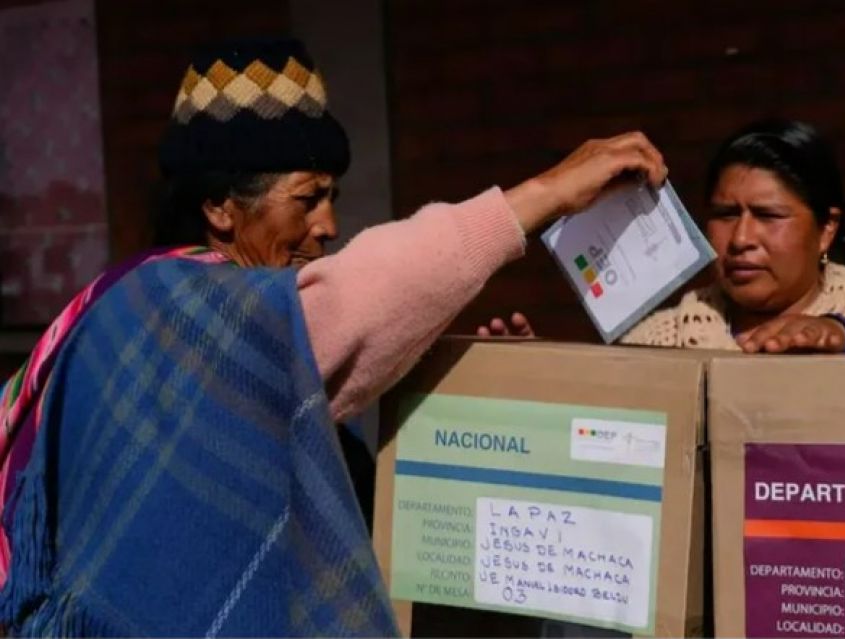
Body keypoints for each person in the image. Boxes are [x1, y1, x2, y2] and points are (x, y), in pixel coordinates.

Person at [0, 37, 668, 636]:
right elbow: (354, 300)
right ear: (219, 206)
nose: (327, 225)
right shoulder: (165, 305)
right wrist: (542, 195)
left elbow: (327, 359)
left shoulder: (170, 304)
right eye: (307, 198)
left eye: (333, 196)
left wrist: (467, 376)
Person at [480, 119, 845, 354]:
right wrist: (533, 381)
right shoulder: (658, 340)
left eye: (768, 215)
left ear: (826, 230)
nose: (740, 238)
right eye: (723, 214)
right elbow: (600, 455)